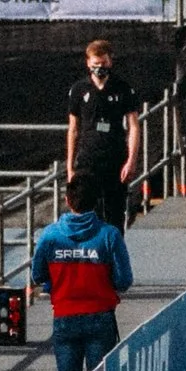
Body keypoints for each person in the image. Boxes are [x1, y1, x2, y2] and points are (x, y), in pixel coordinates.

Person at [27, 199, 135, 371]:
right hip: (101, 317)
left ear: (67, 201)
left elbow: (37, 275)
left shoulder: (50, 235)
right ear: (96, 201)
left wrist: (57, 279)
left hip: (64, 317)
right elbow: (124, 281)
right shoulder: (110, 234)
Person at [63, 37, 141, 229]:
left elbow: (134, 126)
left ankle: (113, 254)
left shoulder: (123, 88)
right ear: (88, 63)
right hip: (89, 159)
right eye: (96, 64)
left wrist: (131, 160)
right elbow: (73, 129)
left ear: (110, 62)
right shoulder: (79, 90)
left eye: (104, 63)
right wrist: (70, 167)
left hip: (115, 158)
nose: (100, 67)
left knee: (115, 213)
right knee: (89, 213)